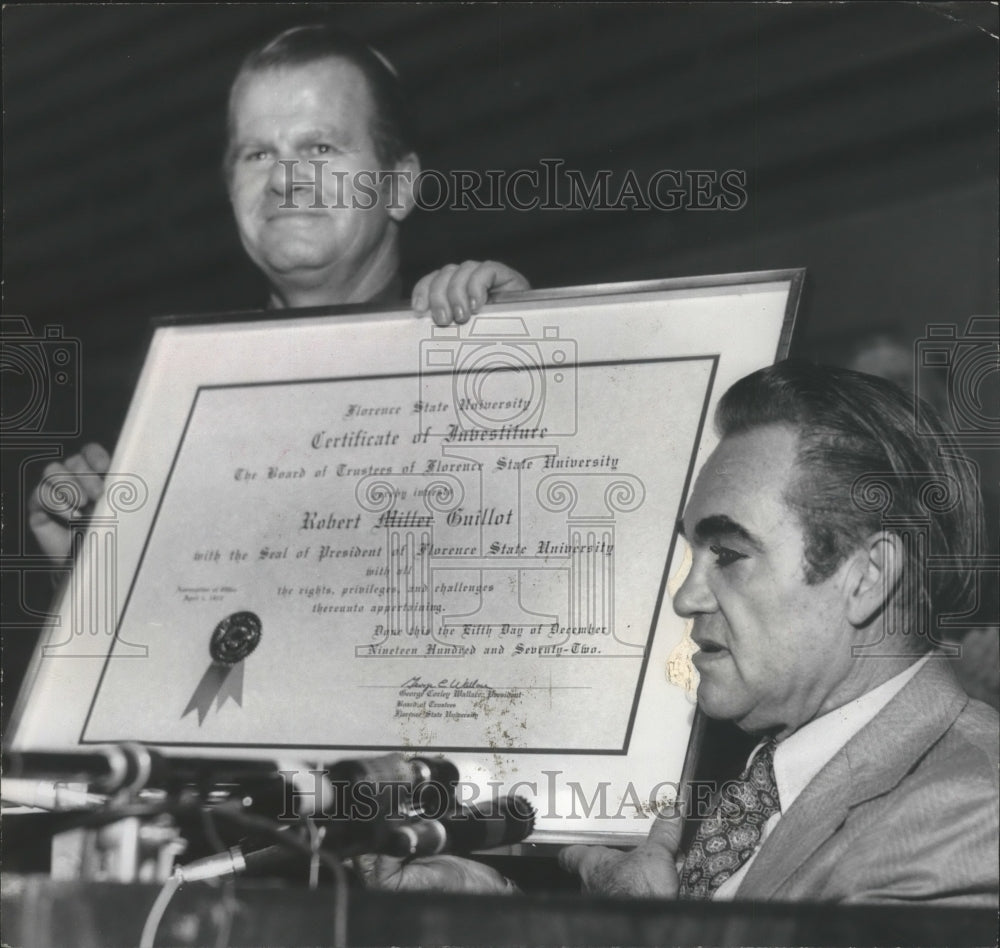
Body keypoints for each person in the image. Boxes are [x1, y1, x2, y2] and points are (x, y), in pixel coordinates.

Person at [361, 361, 999, 905]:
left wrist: (644, 934)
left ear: (867, 576)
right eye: (691, 554)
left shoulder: (972, 812)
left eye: (728, 553)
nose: (685, 596)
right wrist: (496, 911)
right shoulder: (739, 779)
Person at [27, 24, 529, 559]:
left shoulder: (483, 348)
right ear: (229, 187)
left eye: (320, 146)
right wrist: (90, 582)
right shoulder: (161, 415)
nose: (286, 179)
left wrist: (539, 350)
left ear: (399, 186)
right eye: (258, 154)